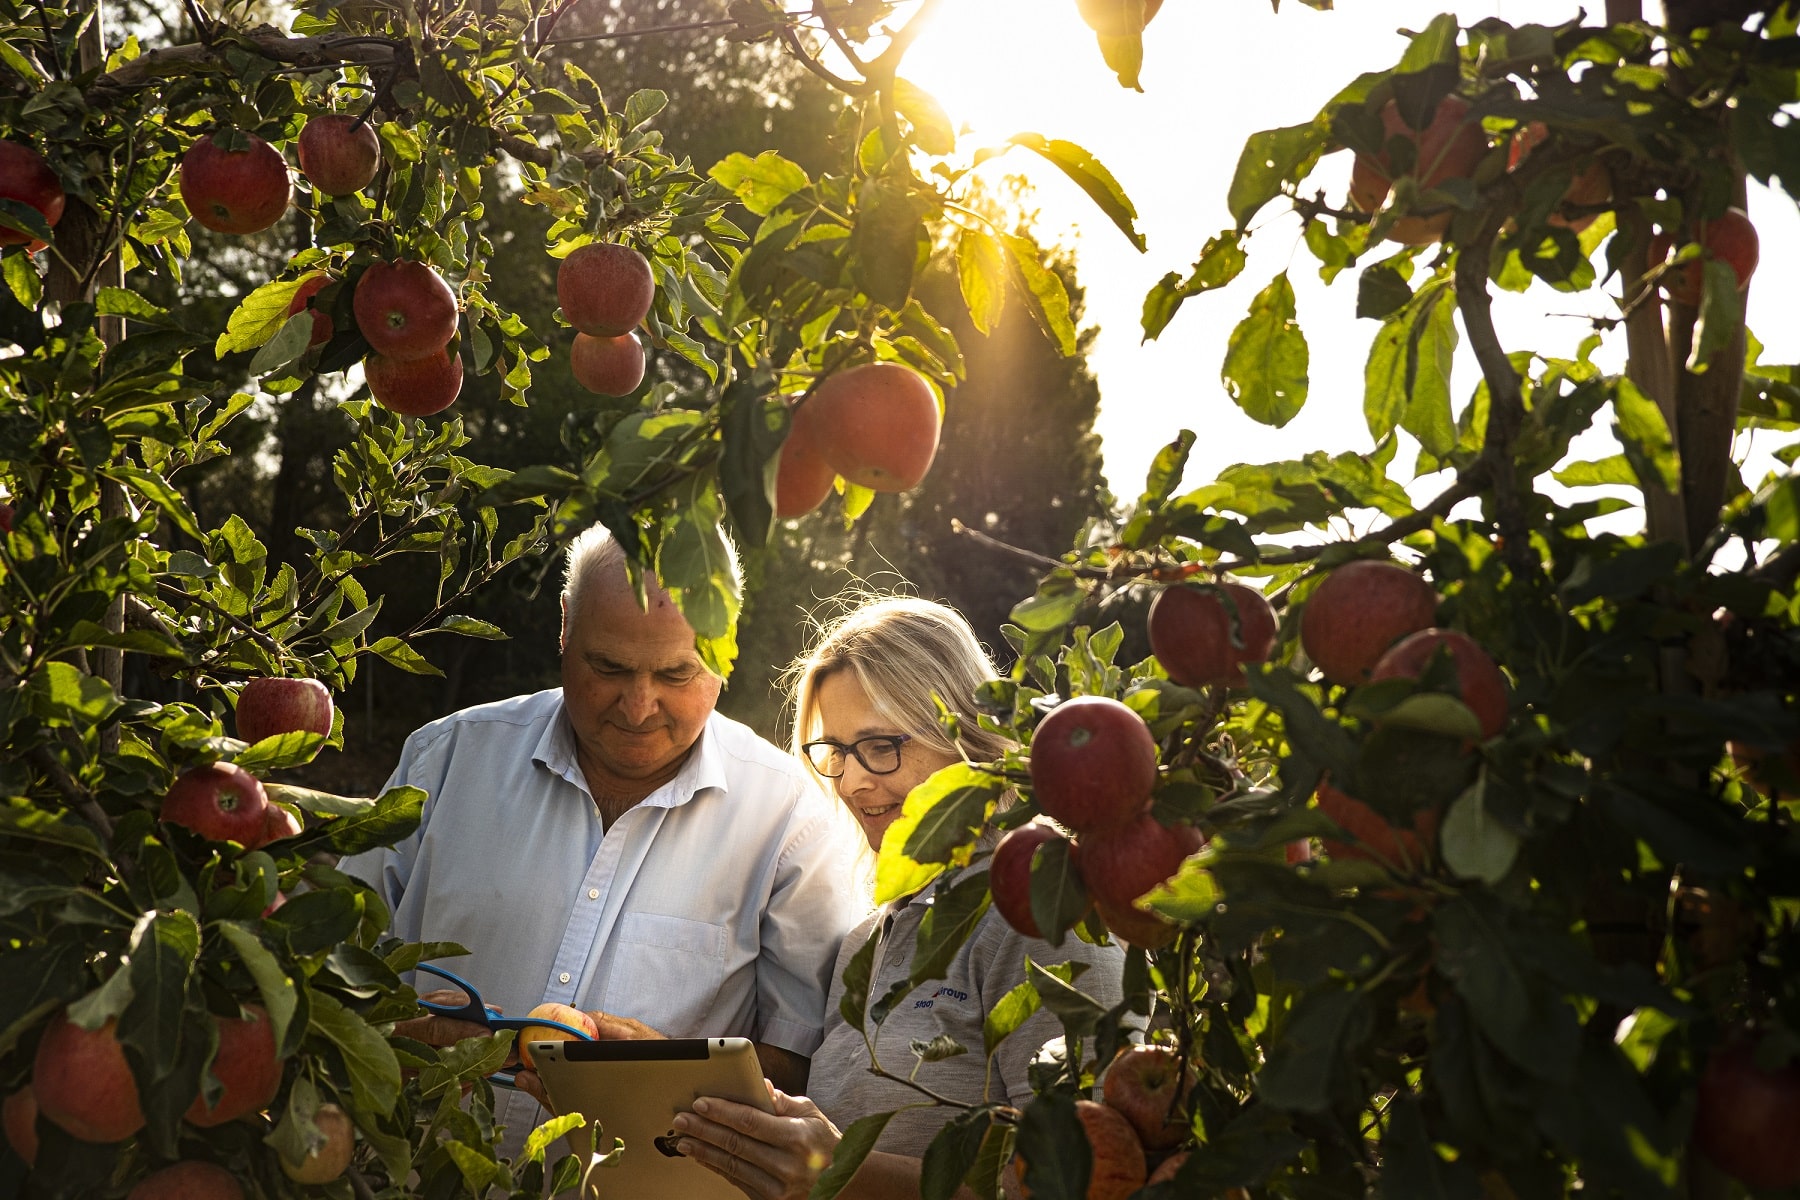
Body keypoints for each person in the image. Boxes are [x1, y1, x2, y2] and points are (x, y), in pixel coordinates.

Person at [339, 525, 862, 1153]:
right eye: (608, 667)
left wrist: (668, 1071)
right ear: (564, 627)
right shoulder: (444, 762)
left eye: (676, 674)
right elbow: (330, 965)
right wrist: (402, 1035)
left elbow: (803, 1065)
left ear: (725, 650)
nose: (639, 707)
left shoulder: (789, 820)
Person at [670, 597, 1127, 1200]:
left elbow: (1081, 1180)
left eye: (882, 744)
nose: (855, 781)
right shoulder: (869, 938)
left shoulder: (1041, 912)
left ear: (960, 732)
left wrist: (839, 1174)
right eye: (836, 751)